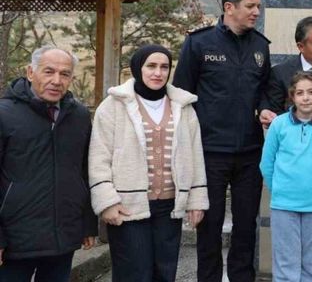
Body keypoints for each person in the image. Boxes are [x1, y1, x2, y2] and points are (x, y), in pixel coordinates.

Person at [172, 0, 271, 282]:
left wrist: (267, 108)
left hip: (250, 152)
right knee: (210, 225)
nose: (256, 12)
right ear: (229, 7)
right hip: (209, 152)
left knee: (245, 226)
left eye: (258, 5)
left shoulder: (260, 46)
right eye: (250, 6)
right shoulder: (199, 43)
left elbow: (265, 89)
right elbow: (181, 96)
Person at [89, 44, 209, 282]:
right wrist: (107, 202)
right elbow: (98, 157)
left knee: (164, 273)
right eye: (151, 66)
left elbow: (195, 155)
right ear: (137, 68)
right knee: (133, 274)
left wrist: (196, 200)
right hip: (127, 206)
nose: (158, 73)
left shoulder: (183, 107)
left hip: (169, 206)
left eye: (164, 67)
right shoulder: (112, 106)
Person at [0, 46, 98, 281]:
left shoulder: (80, 116)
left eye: (65, 74)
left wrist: (87, 225)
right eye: (49, 71)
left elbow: (85, 171)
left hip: (62, 238)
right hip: (15, 241)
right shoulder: (4, 115)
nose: (56, 81)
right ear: (30, 72)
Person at [262, 16, 312, 282]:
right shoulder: (280, 123)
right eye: (300, 93)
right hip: (285, 201)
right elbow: (267, 163)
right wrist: (282, 188)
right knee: (286, 262)